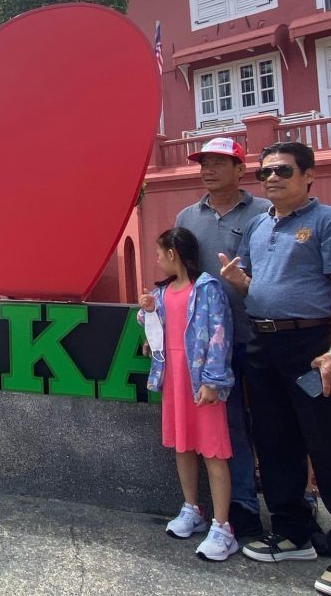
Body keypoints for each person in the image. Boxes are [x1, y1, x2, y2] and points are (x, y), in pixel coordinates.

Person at [220, 142, 331, 596]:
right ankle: (293, 533)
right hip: (264, 342)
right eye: (265, 172)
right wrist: (240, 283)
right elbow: (256, 282)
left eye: (283, 171)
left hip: (312, 345)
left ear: (308, 175)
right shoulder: (257, 225)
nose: (272, 179)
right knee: (275, 440)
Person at [176, 137, 271, 539]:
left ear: (240, 169)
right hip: (214, 346)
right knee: (228, 426)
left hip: (260, 333)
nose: (208, 170)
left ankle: (293, 506)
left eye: (218, 163)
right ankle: (242, 504)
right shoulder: (188, 217)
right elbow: (181, 274)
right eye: (204, 164)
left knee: (273, 422)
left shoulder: (264, 213)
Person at [138, 227, 237, 562]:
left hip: (200, 381)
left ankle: (222, 527)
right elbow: (152, 324)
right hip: (173, 378)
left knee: (213, 451)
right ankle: (192, 508)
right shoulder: (162, 292)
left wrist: (213, 381)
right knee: (182, 444)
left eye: (158, 253)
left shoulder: (207, 288)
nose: (156, 260)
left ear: (172, 254)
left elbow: (220, 335)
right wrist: (147, 309)